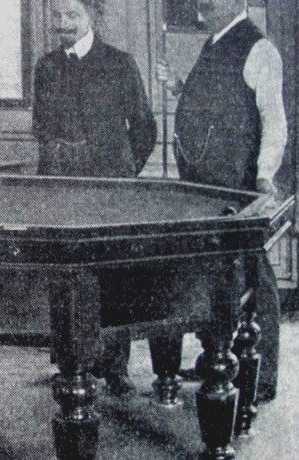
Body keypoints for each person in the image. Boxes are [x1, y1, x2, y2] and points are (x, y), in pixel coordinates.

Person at [158, 0, 286, 403]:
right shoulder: (214, 42)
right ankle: (216, 359)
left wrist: (264, 175)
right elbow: (216, 102)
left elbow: (274, 120)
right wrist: (180, 87)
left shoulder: (259, 48)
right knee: (214, 276)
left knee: (254, 274)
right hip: (203, 183)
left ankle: (261, 377)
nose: (202, 7)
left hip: (236, 186)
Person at [33, 0, 157, 396]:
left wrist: (122, 176)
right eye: (57, 16)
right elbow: (41, 129)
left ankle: (116, 368)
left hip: (108, 191)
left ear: (92, 17)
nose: (63, 24)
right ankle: (71, 365)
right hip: (61, 189)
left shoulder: (120, 63)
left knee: (112, 276)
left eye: (72, 15)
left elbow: (144, 128)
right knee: (64, 275)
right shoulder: (46, 66)